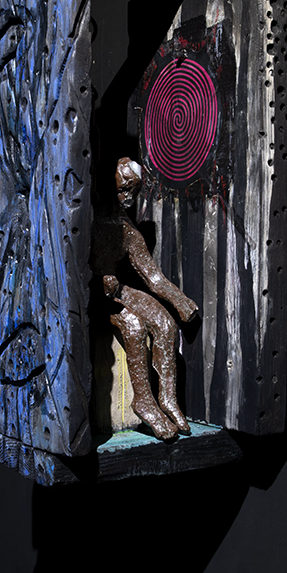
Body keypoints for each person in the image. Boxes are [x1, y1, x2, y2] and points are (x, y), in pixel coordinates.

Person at [90, 158, 199, 440]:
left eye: (133, 191)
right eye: (124, 189)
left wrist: (180, 301)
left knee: (165, 323)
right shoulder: (89, 219)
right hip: (92, 294)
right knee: (134, 326)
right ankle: (144, 402)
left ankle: (168, 399)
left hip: (116, 290)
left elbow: (153, 278)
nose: (128, 197)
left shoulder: (128, 231)